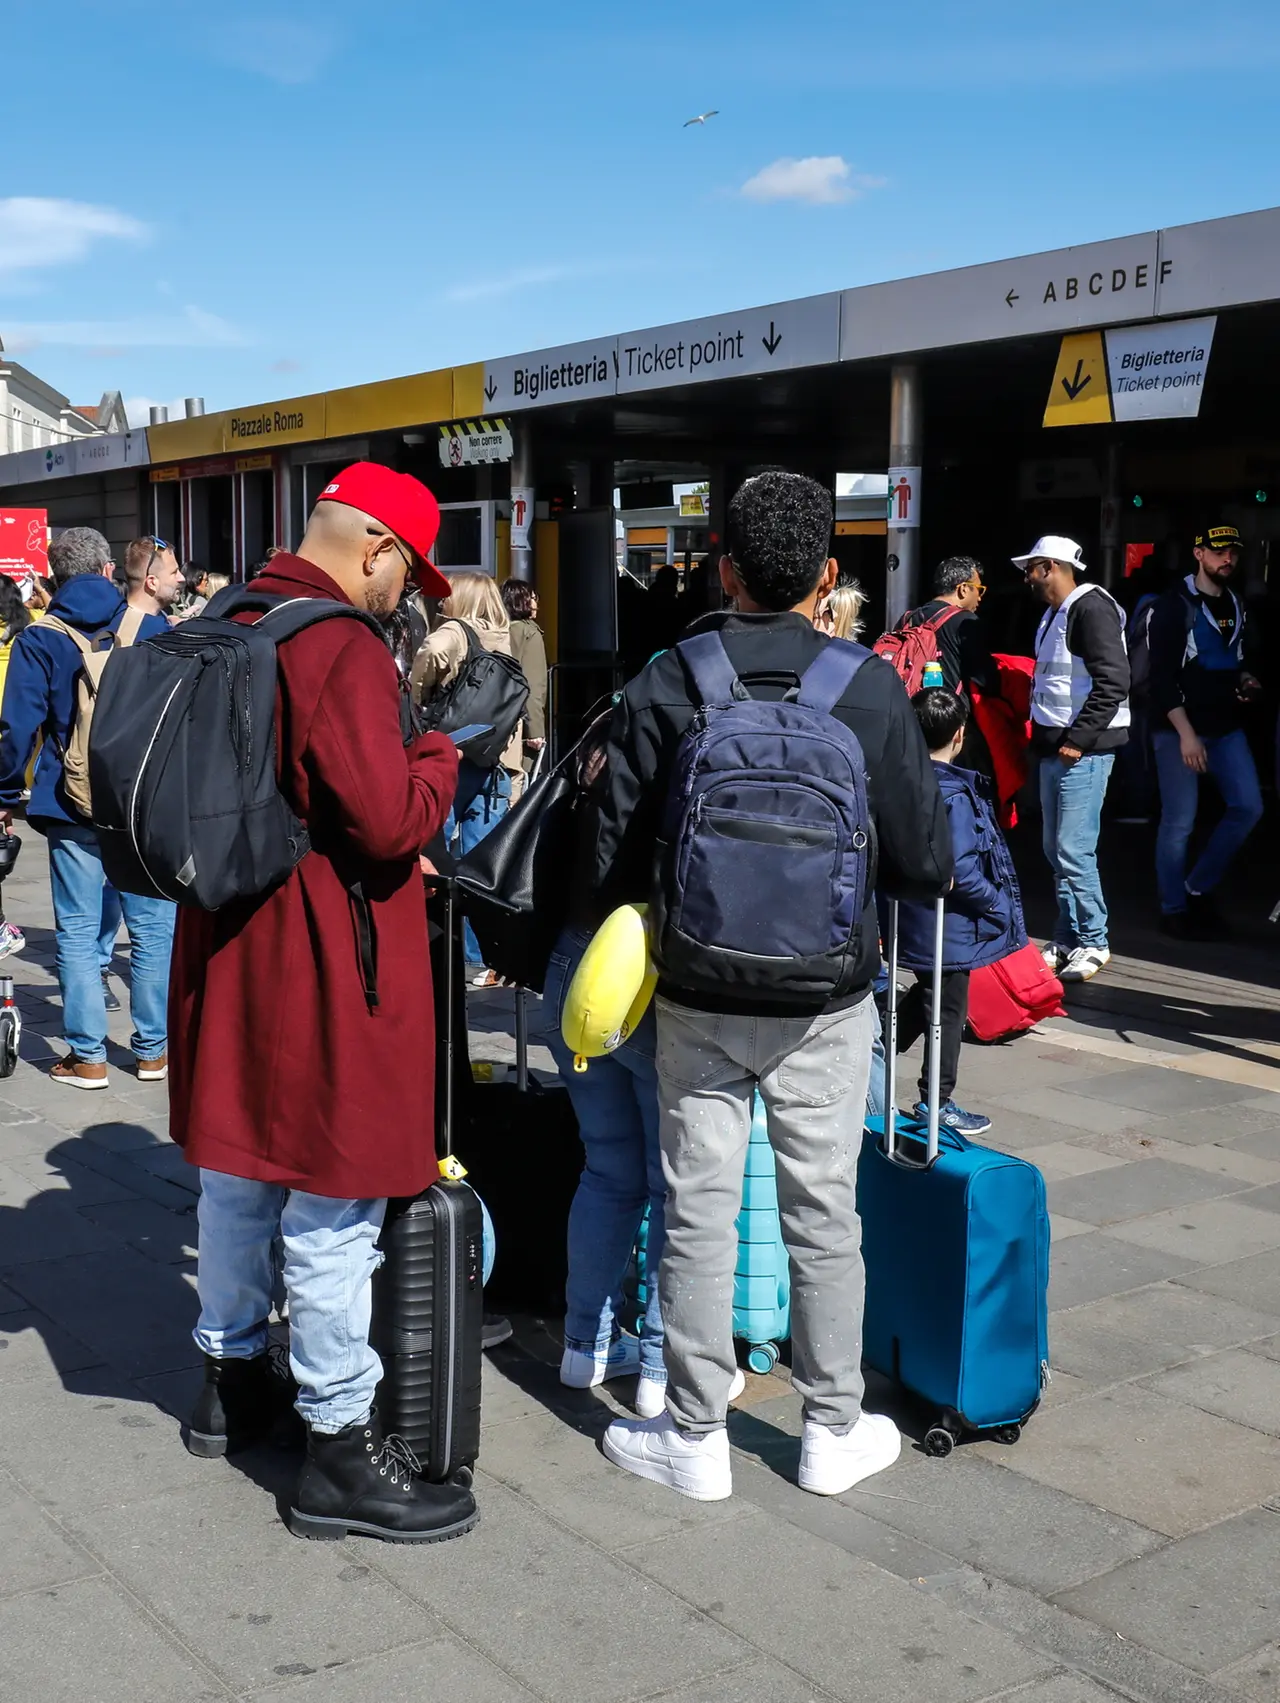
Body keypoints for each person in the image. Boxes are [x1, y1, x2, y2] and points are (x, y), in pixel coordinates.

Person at [595, 471, 952, 1502]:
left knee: (698, 1209)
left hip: (697, 992)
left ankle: (696, 1436)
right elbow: (925, 860)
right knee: (822, 1212)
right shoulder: (868, 685)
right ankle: (830, 1426)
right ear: (827, 576)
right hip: (828, 997)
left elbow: (608, 858)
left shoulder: (670, 676)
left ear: (723, 569)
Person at [169, 461, 479, 1544]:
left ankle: (227, 1382)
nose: (409, 593)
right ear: (377, 548)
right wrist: (444, 749)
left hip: (229, 941)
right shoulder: (337, 642)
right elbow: (387, 819)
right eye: (410, 571)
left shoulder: (230, 609)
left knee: (240, 1170)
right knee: (333, 1200)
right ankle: (340, 1448)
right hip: (318, 954)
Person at [0, 528, 173, 1085]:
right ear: (105, 570)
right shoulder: (151, 628)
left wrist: (4, 796)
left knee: (76, 930)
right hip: (141, 802)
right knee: (150, 927)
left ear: (53, 578)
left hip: (70, 801)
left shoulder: (39, 638)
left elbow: (16, 730)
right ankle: (153, 1051)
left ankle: (88, 1057)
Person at [887, 688, 1026, 1136]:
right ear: (960, 734)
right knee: (946, 1009)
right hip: (947, 923)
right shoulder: (956, 794)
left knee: (927, 995)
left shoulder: (899, 781)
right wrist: (995, 903)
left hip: (907, 915)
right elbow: (962, 868)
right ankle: (937, 1101)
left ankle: (876, 1053)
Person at [1016, 535, 1130, 983]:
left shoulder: (1089, 608)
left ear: (1049, 567)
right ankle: (1068, 936)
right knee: (1056, 848)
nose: (1027, 577)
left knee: (1071, 849)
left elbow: (1114, 680)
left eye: (1031, 568)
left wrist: (1078, 740)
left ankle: (1094, 940)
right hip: (1060, 746)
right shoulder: (1057, 614)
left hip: (1081, 749)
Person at [1148, 523, 1263, 939]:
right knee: (1179, 821)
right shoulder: (1173, 604)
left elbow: (1232, 657)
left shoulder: (1235, 601)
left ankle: (1196, 887)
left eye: (1232, 551)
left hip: (1225, 726)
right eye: (1218, 551)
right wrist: (1186, 734)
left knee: (1249, 807)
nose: (1226, 558)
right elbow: (1160, 678)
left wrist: (1246, 680)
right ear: (1198, 553)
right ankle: (1173, 907)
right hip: (1179, 728)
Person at [412, 572, 524, 982]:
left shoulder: (456, 633)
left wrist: (415, 695)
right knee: (482, 860)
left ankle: (440, 947)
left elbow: (430, 654)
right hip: (491, 762)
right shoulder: (506, 637)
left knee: (434, 853)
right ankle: (482, 956)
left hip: (449, 755)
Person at [500, 578, 548, 794]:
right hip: (520, 727)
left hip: (497, 723)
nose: (537, 603)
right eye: (533, 598)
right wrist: (535, 730)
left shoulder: (499, 629)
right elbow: (533, 686)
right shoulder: (530, 633)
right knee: (517, 789)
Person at [124, 535, 186, 619]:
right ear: (152, 583)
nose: (182, 578)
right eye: (174, 572)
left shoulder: (119, 620)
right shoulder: (141, 630)